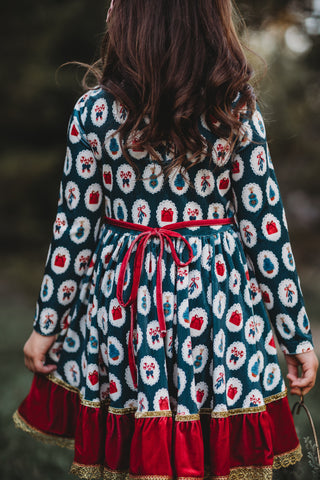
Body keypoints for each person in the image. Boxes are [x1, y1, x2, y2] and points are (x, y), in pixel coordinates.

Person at [13, 1, 318, 479]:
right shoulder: (234, 109)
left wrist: (46, 325)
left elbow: (74, 230)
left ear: (136, 17)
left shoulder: (94, 112)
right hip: (217, 307)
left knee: (140, 448)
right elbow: (265, 232)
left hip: (126, 308)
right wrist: (295, 334)